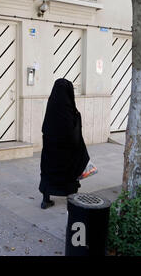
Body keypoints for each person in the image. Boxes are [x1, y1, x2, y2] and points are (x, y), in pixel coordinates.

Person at [39, 79, 90, 209]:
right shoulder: (69, 109)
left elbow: (45, 127)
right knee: (70, 174)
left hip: (51, 150)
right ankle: (71, 201)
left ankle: (46, 200)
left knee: (49, 173)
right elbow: (73, 133)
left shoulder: (52, 105)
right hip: (67, 152)